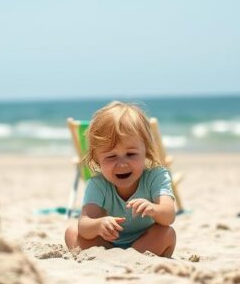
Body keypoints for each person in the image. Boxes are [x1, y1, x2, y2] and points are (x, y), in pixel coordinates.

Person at [64, 102, 177, 257]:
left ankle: (131, 257)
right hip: (106, 245)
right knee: (72, 232)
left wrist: (154, 209)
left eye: (131, 154)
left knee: (166, 233)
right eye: (111, 156)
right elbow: (85, 224)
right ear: (97, 160)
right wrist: (98, 225)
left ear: (146, 152)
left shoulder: (156, 176)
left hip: (145, 242)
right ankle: (115, 258)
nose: (122, 163)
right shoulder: (98, 184)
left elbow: (169, 215)